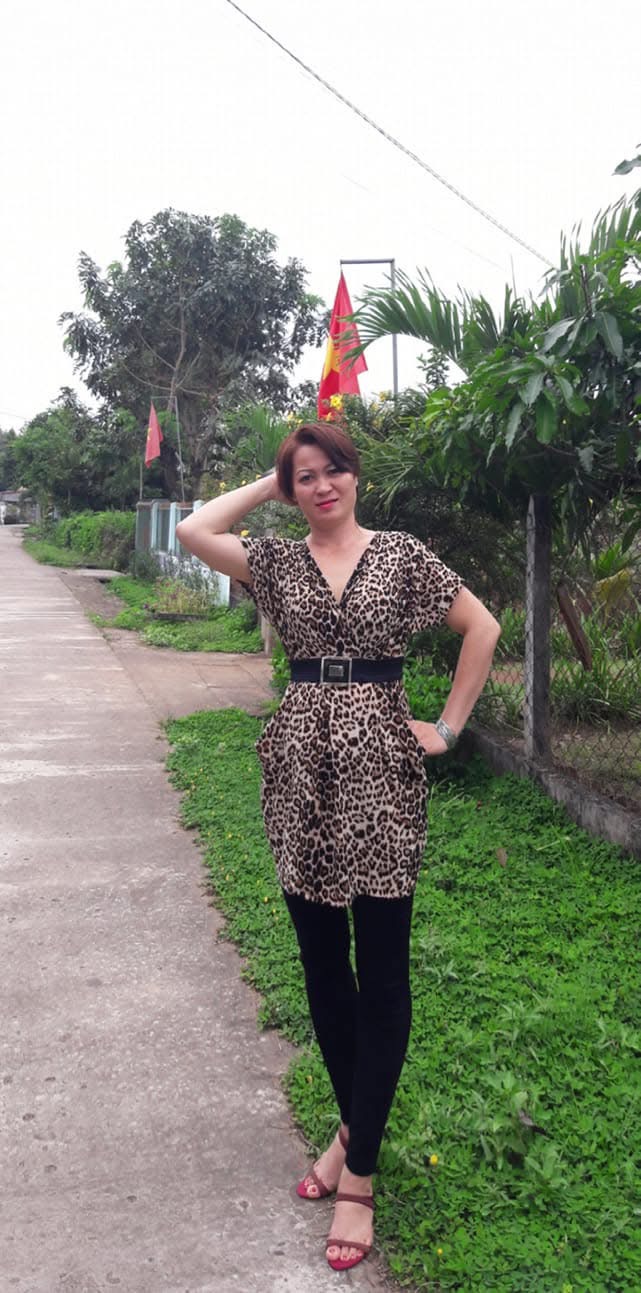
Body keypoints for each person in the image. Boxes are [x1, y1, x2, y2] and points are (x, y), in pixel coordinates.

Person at [176, 421, 500, 1272]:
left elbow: (482, 627)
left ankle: (357, 1172)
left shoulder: (400, 555)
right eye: (305, 476)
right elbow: (193, 530)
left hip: (384, 776)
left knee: (382, 971)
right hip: (299, 775)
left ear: (356, 477)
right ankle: (357, 1126)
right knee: (323, 965)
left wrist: (448, 727)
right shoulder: (275, 561)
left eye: (333, 471)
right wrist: (268, 479)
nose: (322, 486)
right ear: (292, 490)